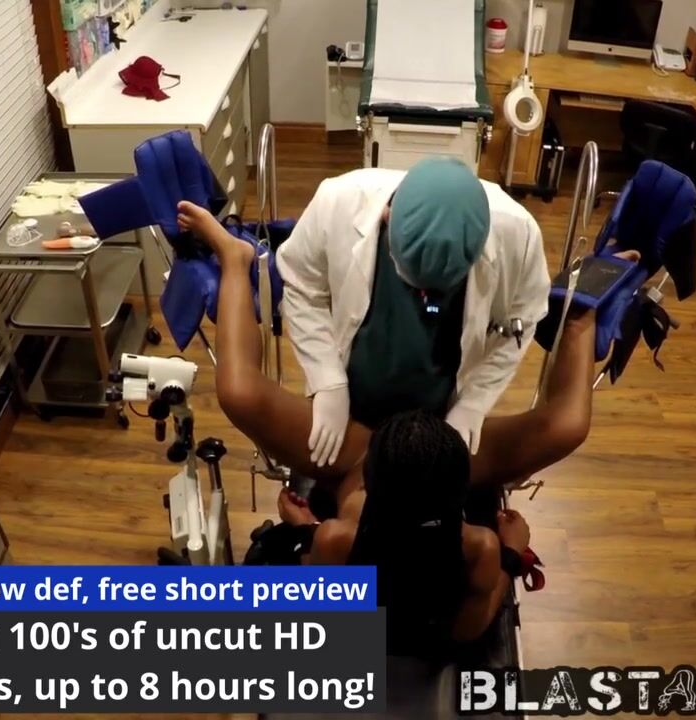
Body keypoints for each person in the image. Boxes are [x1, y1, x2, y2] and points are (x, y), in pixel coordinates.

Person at [177, 200, 639, 650]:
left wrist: (302, 528)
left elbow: (321, 596)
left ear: (372, 477)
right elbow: (469, 627)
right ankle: (581, 312)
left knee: (237, 391)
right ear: (462, 487)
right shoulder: (480, 548)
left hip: (352, 456)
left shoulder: (336, 539)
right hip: (427, 462)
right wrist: (513, 553)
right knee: (569, 426)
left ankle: (235, 258)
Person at [276, 158, 551, 467]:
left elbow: (519, 323)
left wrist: (474, 403)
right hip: (352, 403)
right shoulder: (337, 201)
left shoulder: (517, 233)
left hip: (439, 417)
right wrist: (327, 379)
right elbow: (301, 287)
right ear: (386, 215)